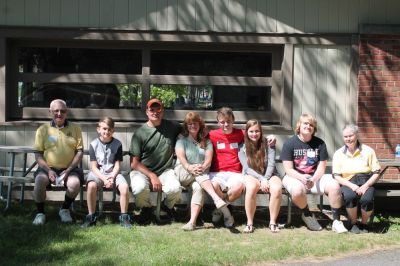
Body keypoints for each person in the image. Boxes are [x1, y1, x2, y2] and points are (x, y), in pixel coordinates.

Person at [208, 107, 276, 228]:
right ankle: (227, 213)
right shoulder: (212, 135)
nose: (225, 124)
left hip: (236, 173)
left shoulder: (241, 134)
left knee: (239, 188)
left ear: (233, 120)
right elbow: (197, 139)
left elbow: (256, 133)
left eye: (228, 121)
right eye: (222, 122)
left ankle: (220, 209)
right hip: (217, 172)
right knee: (212, 186)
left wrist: (271, 136)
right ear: (218, 122)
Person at [280, 114, 348, 233]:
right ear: (299, 125)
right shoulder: (289, 143)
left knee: (335, 186)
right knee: (296, 191)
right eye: (305, 123)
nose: (308, 126)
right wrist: (302, 178)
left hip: (315, 177)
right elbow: (288, 169)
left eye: (311, 125)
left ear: (314, 128)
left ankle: (337, 221)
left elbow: (321, 168)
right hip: (295, 176)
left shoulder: (320, 143)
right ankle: (307, 214)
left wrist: (313, 180)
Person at [129, 98, 182, 223]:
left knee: (175, 189)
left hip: (165, 171)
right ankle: (146, 208)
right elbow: (134, 163)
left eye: (158, 109)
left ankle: (166, 207)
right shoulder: (139, 133)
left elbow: (191, 131)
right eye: (151, 109)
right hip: (143, 171)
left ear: (162, 111)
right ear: (147, 112)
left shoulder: (173, 126)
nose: (155, 112)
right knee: (139, 189)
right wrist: (152, 175)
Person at [32, 99, 84, 225]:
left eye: (62, 111)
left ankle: (64, 209)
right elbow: (38, 154)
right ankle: (40, 213)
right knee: (39, 181)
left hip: (69, 168)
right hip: (48, 168)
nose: (59, 114)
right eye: (56, 111)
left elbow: (79, 152)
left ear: (67, 112)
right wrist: (48, 170)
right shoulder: (42, 130)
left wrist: (69, 170)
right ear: (50, 112)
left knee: (75, 183)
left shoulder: (76, 128)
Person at [175, 112, 227, 231]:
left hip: (199, 174)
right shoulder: (181, 141)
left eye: (195, 123)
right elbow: (182, 159)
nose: (193, 126)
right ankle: (216, 198)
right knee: (199, 174)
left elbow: (208, 161)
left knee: (198, 187)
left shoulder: (206, 142)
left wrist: (202, 167)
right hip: (183, 172)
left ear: (200, 125)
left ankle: (192, 222)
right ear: (186, 126)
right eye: (190, 124)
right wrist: (190, 167)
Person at [81, 117, 131, 228]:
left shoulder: (118, 144)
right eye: (104, 129)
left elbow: (117, 165)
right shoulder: (94, 144)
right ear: (98, 129)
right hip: (98, 173)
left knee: (124, 187)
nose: (106, 132)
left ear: (113, 131)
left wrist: (112, 177)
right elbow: (93, 167)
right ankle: (91, 216)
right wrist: (104, 179)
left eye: (109, 129)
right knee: (91, 185)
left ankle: (124, 217)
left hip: (114, 173)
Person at [332, 124, 381, 233]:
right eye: (345, 136)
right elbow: (336, 176)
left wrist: (366, 185)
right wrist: (352, 186)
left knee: (367, 200)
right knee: (350, 197)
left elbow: (377, 172)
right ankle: (353, 223)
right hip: (348, 181)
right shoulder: (338, 153)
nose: (348, 139)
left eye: (351, 136)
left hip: (366, 180)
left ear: (356, 135)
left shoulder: (368, 151)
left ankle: (364, 223)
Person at [238, 119, 282, 233]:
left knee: (277, 189)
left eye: (257, 131)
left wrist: (266, 179)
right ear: (246, 132)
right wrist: (261, 179)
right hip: (251, 174)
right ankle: (249, 223)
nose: (254, 134)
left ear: (261, 131)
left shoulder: (269, 143)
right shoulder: (241, 146)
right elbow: (246, 168)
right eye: (251, 131)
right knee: (251, 188)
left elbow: (271, 163)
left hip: (270, 174)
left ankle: (273, 222)